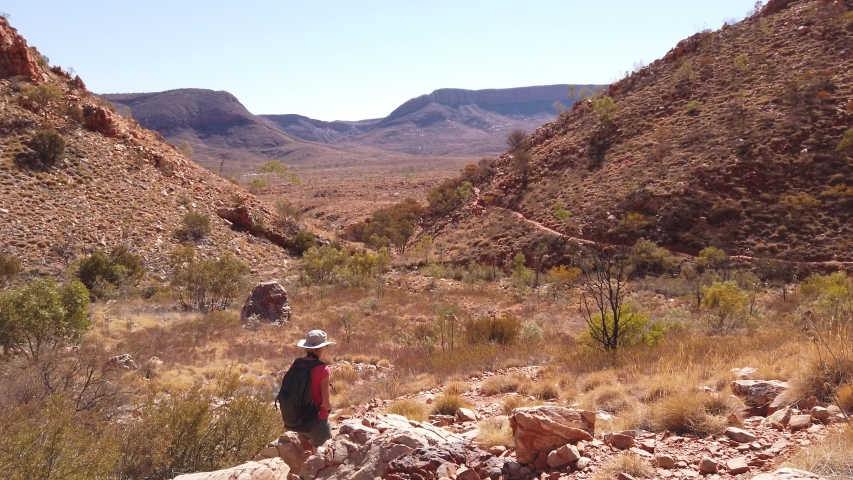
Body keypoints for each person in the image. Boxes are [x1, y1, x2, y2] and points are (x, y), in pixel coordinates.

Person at [295, 329, 334, 454]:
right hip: (317, 422)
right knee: (325, 457)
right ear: (319, 348)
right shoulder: (323, 369)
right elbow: (326, 404)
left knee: (312, 453)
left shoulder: (295, 364)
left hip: (299, 421)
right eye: (325, 346)